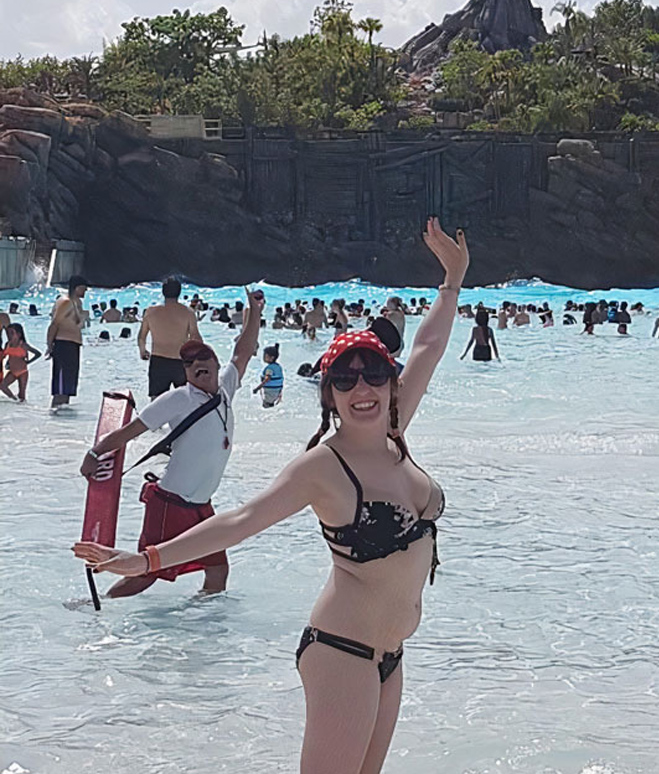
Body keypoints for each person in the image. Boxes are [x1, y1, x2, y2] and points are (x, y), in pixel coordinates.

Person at [74, 218, 468, 773]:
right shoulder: (323, 467)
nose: (362, 388)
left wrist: (452, 281)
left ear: (390, 382)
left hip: (390, 655)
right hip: (343, 651)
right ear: (330, 396)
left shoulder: (395, 434)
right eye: (345, 379)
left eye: (374, 375)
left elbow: (428, 346)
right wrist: (147, 560)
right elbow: (242, 519)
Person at [76, 288, 264, 597]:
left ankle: (197, 621)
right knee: (145, 574)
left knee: (217, 570)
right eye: (189, 363)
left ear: (216, 364)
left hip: (201, 505)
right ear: (185, 372)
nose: (197, 364)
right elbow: (130, 431)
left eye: (203, 358)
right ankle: (96, 606)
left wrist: (254, 312)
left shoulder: (226, 388)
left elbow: (243, 351)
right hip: (171, 503)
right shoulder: (178, 398)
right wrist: (94, 453)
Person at [138, 277, 203, 400]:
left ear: (163, 292)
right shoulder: (188, 312)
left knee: (156, 403)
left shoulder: (151, 312)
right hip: (180, 362)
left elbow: (142, 336)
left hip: (158, 361)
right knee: (186, 402)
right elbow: (196, 339)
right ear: (179, 292)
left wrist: (143, 350)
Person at [46, 275, 87, 409]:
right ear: (77, 288)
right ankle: (55, 412)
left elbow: (76, 324)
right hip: (63, 345)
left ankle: (63, 418)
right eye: (83, 288)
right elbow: (55, 323)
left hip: (72, 346)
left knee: (68, 387)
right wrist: (50, 345)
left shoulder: (76, 303)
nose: (85, 291)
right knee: (60, 388)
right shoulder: (66, 302)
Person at [0, 323, 41, 401]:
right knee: (2, 386)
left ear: (19, 334)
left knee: (22, 395)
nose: (9, 335)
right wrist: (7, 363)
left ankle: (21, 405)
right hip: (12, 372)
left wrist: (28, 362)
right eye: (8, 333)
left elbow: (38, 354)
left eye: (12, 333)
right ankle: (14, 400)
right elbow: (6, 355)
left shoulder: (23, 345)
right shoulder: (8, 344)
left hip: (22, 372)